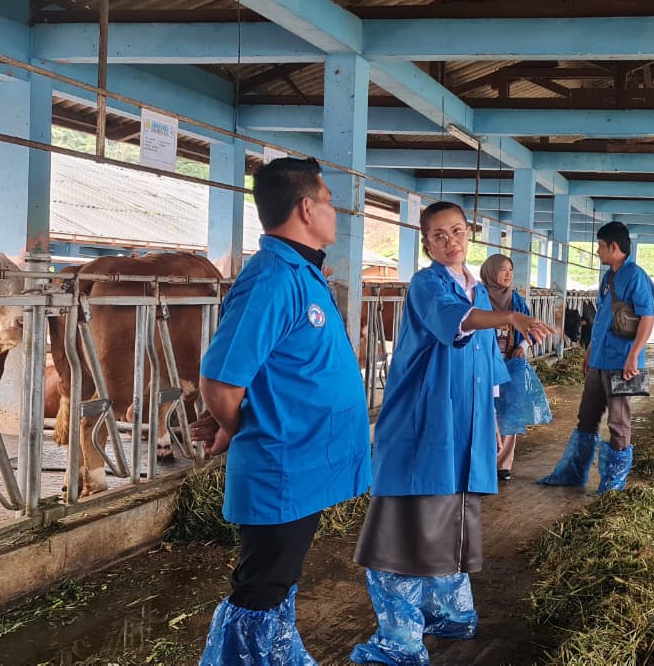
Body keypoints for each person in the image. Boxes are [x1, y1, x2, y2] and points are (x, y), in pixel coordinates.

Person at [350, 201, 553, 665]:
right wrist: (509, 318)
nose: (450, 241)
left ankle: (449, 615)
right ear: (426, 243)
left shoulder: (477, 290)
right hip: (423, 428)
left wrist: (496, 423)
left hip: (462, 430)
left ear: (469, 234)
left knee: (453, 518)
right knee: (403, 527)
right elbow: (456, 322)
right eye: (438, 235)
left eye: (457, 231)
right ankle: (401, 637)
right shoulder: (427, 284)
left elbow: (487, 368)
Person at [190, 157, 370, 665]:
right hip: (282, 464)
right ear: (307, 207)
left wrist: (239, 420)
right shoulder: (271, 279)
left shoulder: (303, 273)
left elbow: (275, 369)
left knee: (278, 579)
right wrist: (242, 426)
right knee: (261, 587)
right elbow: (220, 379)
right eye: (331, 202)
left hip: (303, 460)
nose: (337, 213)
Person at [537, 221, 654, 494]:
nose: (598, 252)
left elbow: (648, 317)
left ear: (615, 247)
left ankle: (613, 485)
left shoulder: (636, 276)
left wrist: (634, 356)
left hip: (622, 363)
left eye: (601, 246)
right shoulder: (608, 277)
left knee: (618, 421)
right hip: (600, 360)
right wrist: (589, 352)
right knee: (586, 416)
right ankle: (573, 472)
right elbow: (602, 318)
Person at [480, 254, 553, 481]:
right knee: (483, 411)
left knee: (509, 409)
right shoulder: (479, 298)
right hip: (483, 366)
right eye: (503, 270)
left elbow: (529, 328)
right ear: (491, 272)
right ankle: (483, 462)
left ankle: (503, 464)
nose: (508, 274)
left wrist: (522, 345)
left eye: (510, 269)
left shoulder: (517, 301)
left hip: (510, 364)